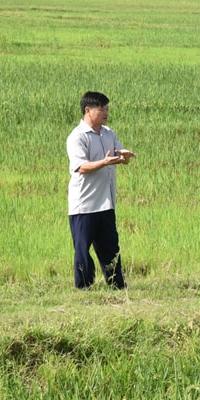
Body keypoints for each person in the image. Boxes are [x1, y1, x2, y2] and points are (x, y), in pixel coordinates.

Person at [66, 91, 133, 289]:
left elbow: (118, 156)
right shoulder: (77, 137)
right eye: (101, 109)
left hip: (106, 201)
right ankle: (84, 286)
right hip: (84, 204)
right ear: (88, 110)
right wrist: (104, 162)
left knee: (111, 247)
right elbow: (81, 167)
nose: (106, 112)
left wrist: (125, 157)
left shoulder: (108, 133)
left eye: (107, 108)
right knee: (82, 248)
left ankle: (116, 284)